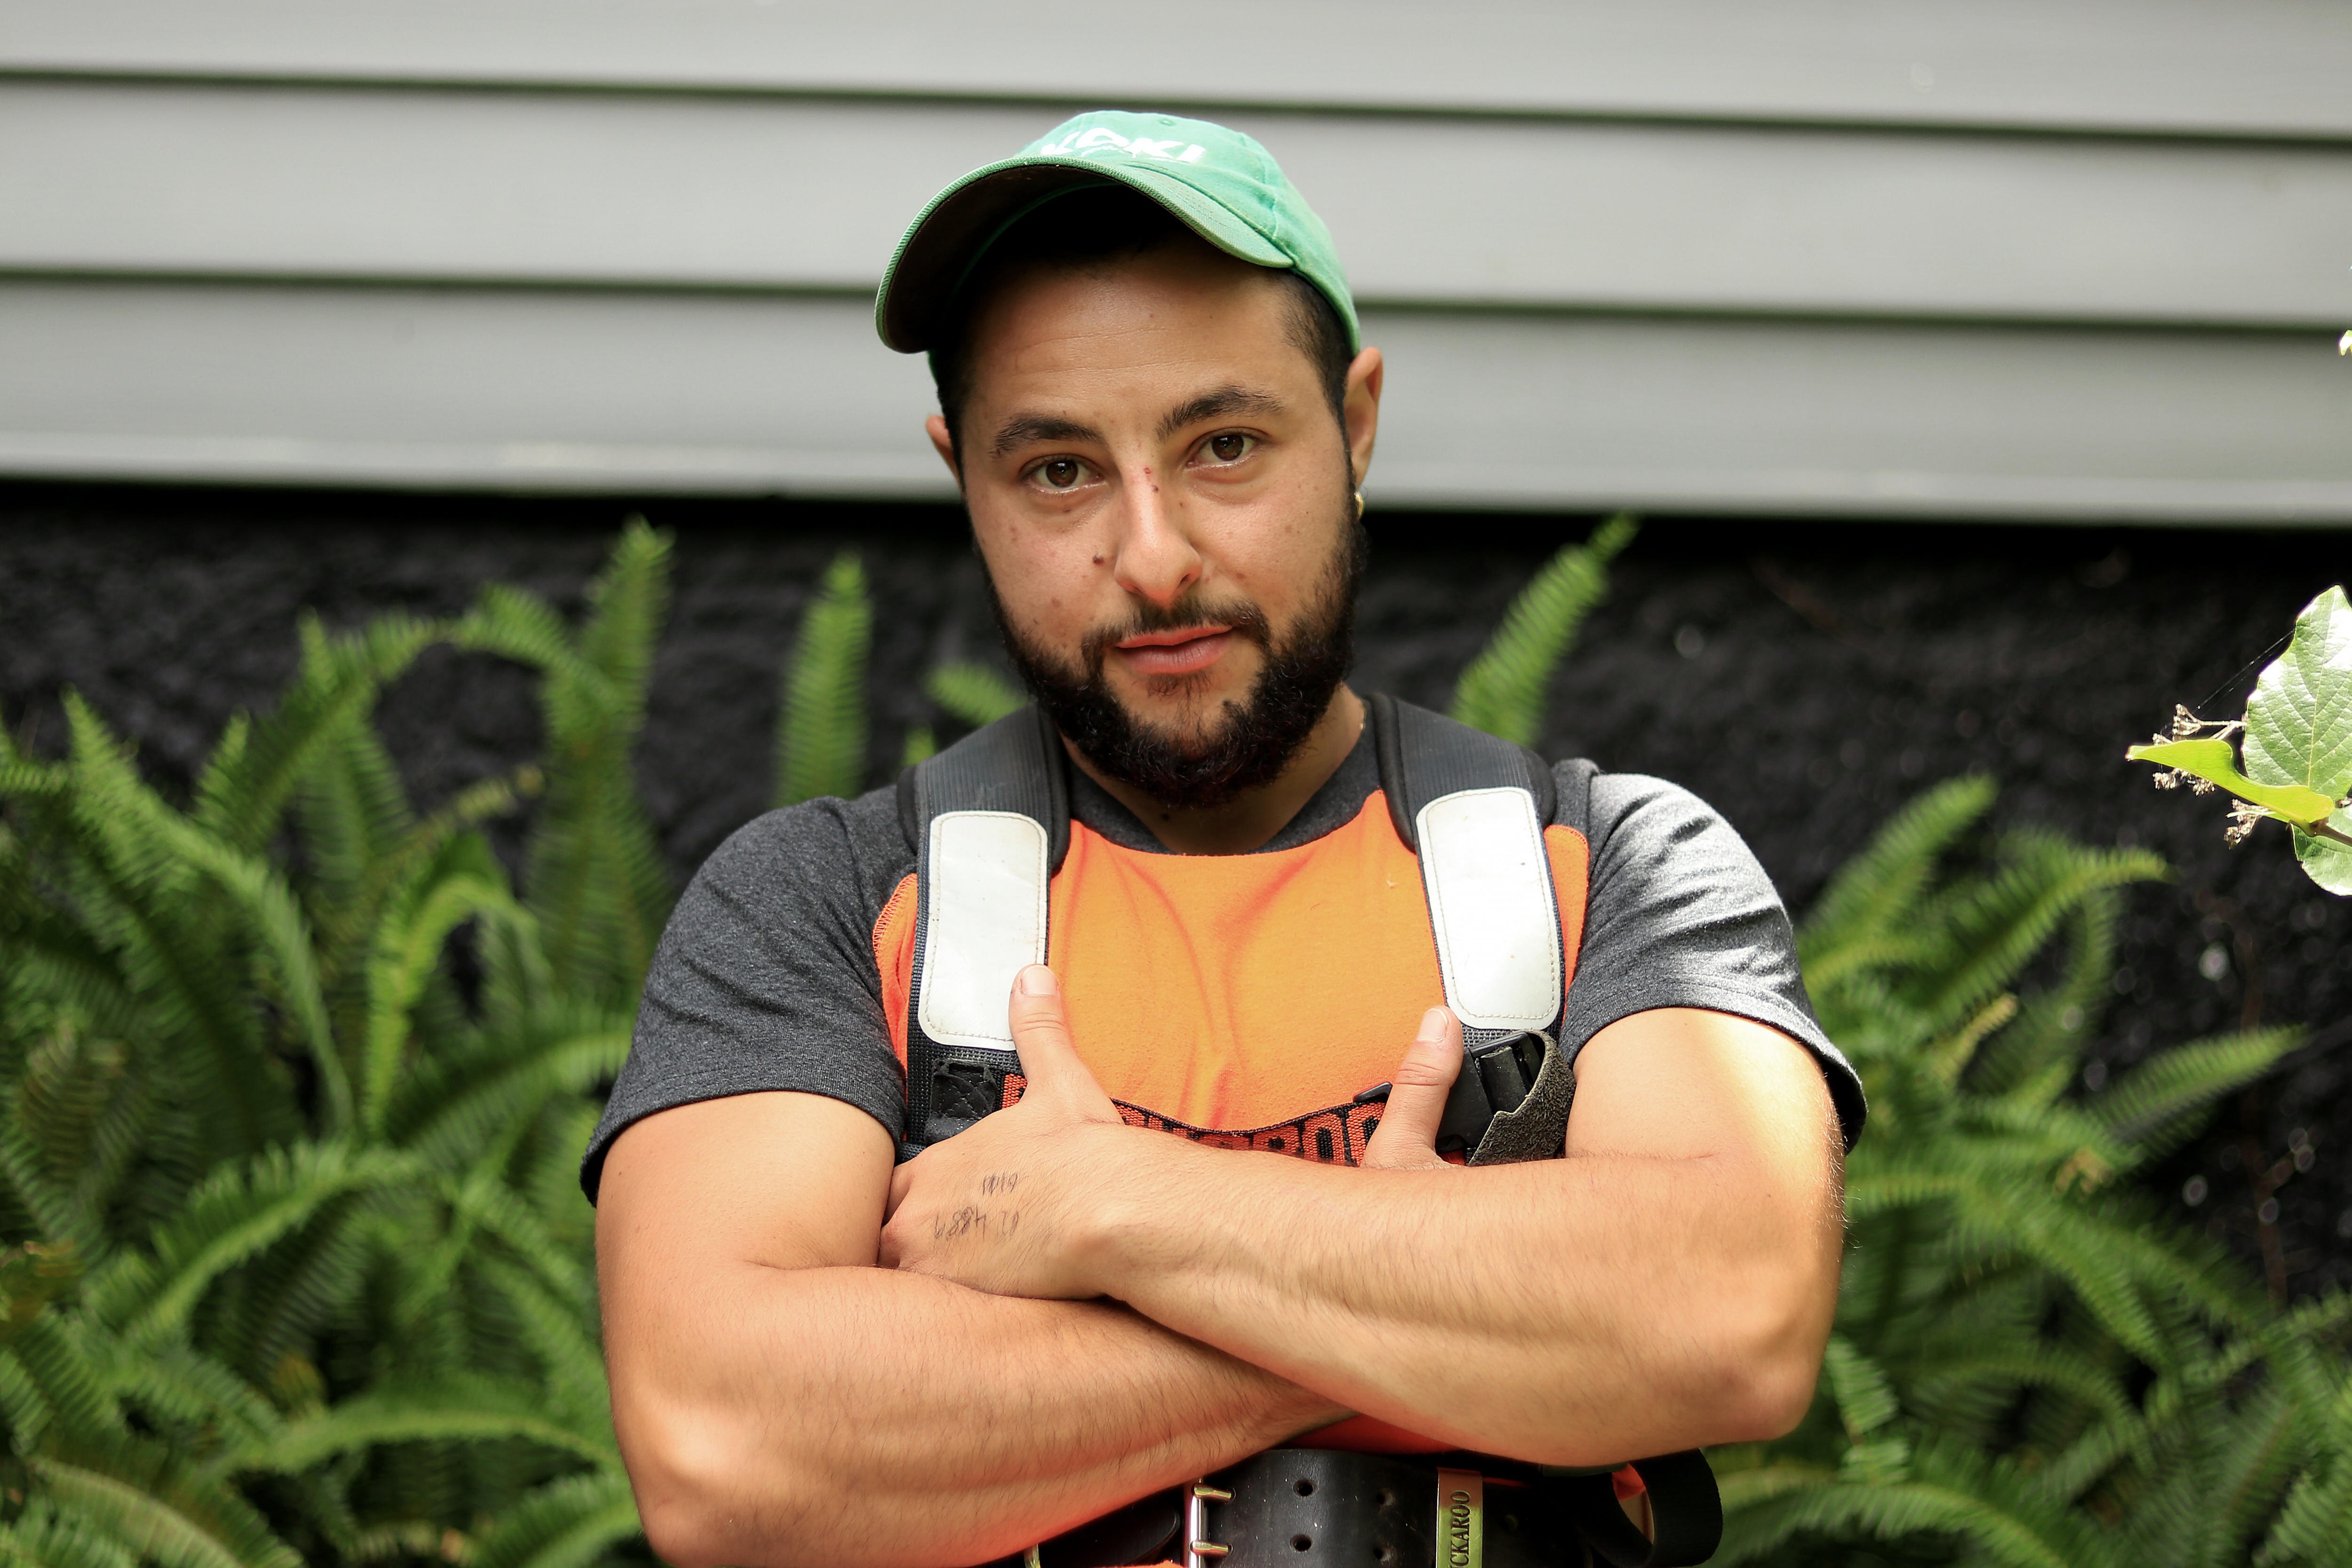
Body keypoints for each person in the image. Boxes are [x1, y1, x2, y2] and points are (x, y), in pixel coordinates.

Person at [588, 110, 1863, 1568]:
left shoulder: (1613, 866)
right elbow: (723, 1448)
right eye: (1059, 471)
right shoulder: (816, 906)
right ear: (963, 475)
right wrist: (1455, 1321)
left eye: (1226, 445)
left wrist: (1110, 1211)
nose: (1153, 556)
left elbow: (1731, 1315)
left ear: (1358, 424)